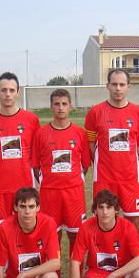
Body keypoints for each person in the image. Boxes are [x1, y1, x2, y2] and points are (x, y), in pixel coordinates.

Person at [84, 69, 139, 233]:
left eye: (121, 84)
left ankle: (135, 259)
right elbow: (91, 144)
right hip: (104, 180)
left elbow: (138, 146)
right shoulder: (95, 112)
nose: (118, 88)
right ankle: (103, 258)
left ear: (128, 87)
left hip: (130, 180)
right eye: (114, 84)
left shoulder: (138, 113)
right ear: (107, 86)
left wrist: (126, 161)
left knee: (134, 225)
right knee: (103, 223)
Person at [32, 89, 90, 256]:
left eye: (64, 104)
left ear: (70, 106)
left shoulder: (80, 133)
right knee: (51, 236)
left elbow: (85, 164)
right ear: (51, 106)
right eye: (57, 104)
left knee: (76, 236)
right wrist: (49, 182)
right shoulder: (41, 134)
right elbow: (36, 166)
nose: (61, 108)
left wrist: (72, 180)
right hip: (49, 194)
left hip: (74, 193)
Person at [0, 72, 40, 229]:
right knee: (1, 233)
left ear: (18, 92)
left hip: (25, 186)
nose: (8, 94)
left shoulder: (31, 120)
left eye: (12, 90)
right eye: (4, 90)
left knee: (26, 230)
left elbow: (37, 156)